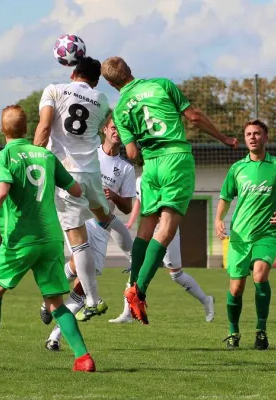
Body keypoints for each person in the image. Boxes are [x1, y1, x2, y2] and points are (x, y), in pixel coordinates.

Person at [101, 56, 237, 324]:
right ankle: (138, 291)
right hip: (175, 159)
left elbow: (130, 151)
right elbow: (195, 116)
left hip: (151, 166)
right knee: (167, 228)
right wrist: (224, 138)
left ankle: (133, 286)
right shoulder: (162, 85)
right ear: (130, 69)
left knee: (146, 227)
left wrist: (143, 151)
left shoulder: (119, 111)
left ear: (109, 82)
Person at [0, 105, 95, 372]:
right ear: (26, 128)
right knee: (55, 301)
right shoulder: (46, 155)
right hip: (51, 238)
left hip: (21, 239)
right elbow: (77, 189)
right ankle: (83, 358)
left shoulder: (2, 157)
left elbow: (0, 191)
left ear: (2, 129)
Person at [34, 56, 119, 322]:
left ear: (72, 72)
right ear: (96, 80)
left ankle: (92, 299)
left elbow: (45, 127)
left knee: (77, 241)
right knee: (108, 220)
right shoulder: (102, 100)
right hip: (92, 173)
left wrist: (34, 161)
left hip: (65, 174)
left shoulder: (54, 90)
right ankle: (135, 266)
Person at [42, 116, 137, 350]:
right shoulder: (89, 154)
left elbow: (127, 207)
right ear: (105, 129)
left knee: (82, 281)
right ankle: (51, 312)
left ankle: (54, 331)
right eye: (114, 128)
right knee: (80, 269)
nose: (117, 133)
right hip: (81, 218)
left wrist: (113, 196)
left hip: (103, 226)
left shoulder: (126, 168)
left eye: (121, 130)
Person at [215, 119, 276, 350]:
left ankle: (261, 331)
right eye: (248, 134)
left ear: (266, 137)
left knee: (261, 277)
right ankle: (233, 333)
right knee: (236, 289)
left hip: (267, 234)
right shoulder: (237, 168)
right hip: (240, 236)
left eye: (257, 133)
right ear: (245, 139)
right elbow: (224, 198)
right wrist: (218, 219)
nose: (253, 137)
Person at [109, 174, 215, 324]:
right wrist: (132, 221)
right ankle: (127, 313)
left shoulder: (169, 176)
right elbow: (139, 202)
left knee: (176, 275)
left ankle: (206, 301)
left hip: (166, 229)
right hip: (148, 228)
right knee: (136, 268)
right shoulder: (140, 180)